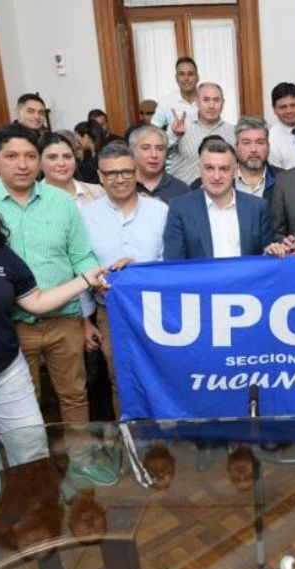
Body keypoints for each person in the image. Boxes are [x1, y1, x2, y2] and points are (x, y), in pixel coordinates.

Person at [0, 181, 107, 516]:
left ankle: (39, 517)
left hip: (6, 375)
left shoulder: (1, 256)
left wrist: (86, 279)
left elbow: (37, 301)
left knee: (30, 446)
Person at [0, 125, 101, 423]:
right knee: (22, 405)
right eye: (12, 156)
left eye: (30, 156)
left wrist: (102, 280)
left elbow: (80, 255)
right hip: (10, 324)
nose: (22, 164)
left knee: (74, 395)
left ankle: (80, 454)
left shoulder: (61, 201)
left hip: (65, 319)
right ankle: (35, 455)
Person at [81, 144, 168, 417]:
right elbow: (80, 265)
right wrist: (85, 320)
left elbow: (171, 261)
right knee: (120, 380)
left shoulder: (160, 211)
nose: (120, 179)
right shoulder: (85, 215)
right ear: (100, 176)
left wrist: (138, 272)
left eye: (127, 172)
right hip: (110, 313)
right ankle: (129, 438)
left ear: (136, 172)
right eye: (111, 173)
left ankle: (165, 439)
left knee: (162, 377)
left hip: (157, 312)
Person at [163, 139, 271, 260]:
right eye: (209, 168)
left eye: (224, 169)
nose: (216, 176)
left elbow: (267, 259)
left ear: (235, 172)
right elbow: (174, 264)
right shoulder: (181, 208)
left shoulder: (257, 208)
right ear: (200, 170)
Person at [167, 82, 235, 186]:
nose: (211, 106)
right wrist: (174, 135)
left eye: (216, 100)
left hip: (218, 191)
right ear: (197, 101)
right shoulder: (180, 126)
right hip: (183, 191)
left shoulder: (232, 132)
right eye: (206, 100)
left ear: (223, 103)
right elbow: (160, 154)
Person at [39, 132, 105, 207]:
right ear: (39, 163)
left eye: (67, 156)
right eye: (52, 157)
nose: (61, 163)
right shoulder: (32, 199)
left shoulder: (96, 192)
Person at [129, 125, 188, 204]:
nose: (154, 155)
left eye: (160, 149)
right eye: (146, 148)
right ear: (132, 152)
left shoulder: (181, 190)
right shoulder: (122, 185)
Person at [232, 116, 280, 202]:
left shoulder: (285, 180)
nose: (253, 149)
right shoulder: (223, 179)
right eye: (246, 143)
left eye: (260, 142)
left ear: (268, 146)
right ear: (236, 147)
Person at [151, 56, 200, 129]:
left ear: (197, 78)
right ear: (176, 78)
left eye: (190, 74)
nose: (186, 78)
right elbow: (153, 129)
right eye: (181, 74)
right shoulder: (166, 102)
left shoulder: (208, 100)